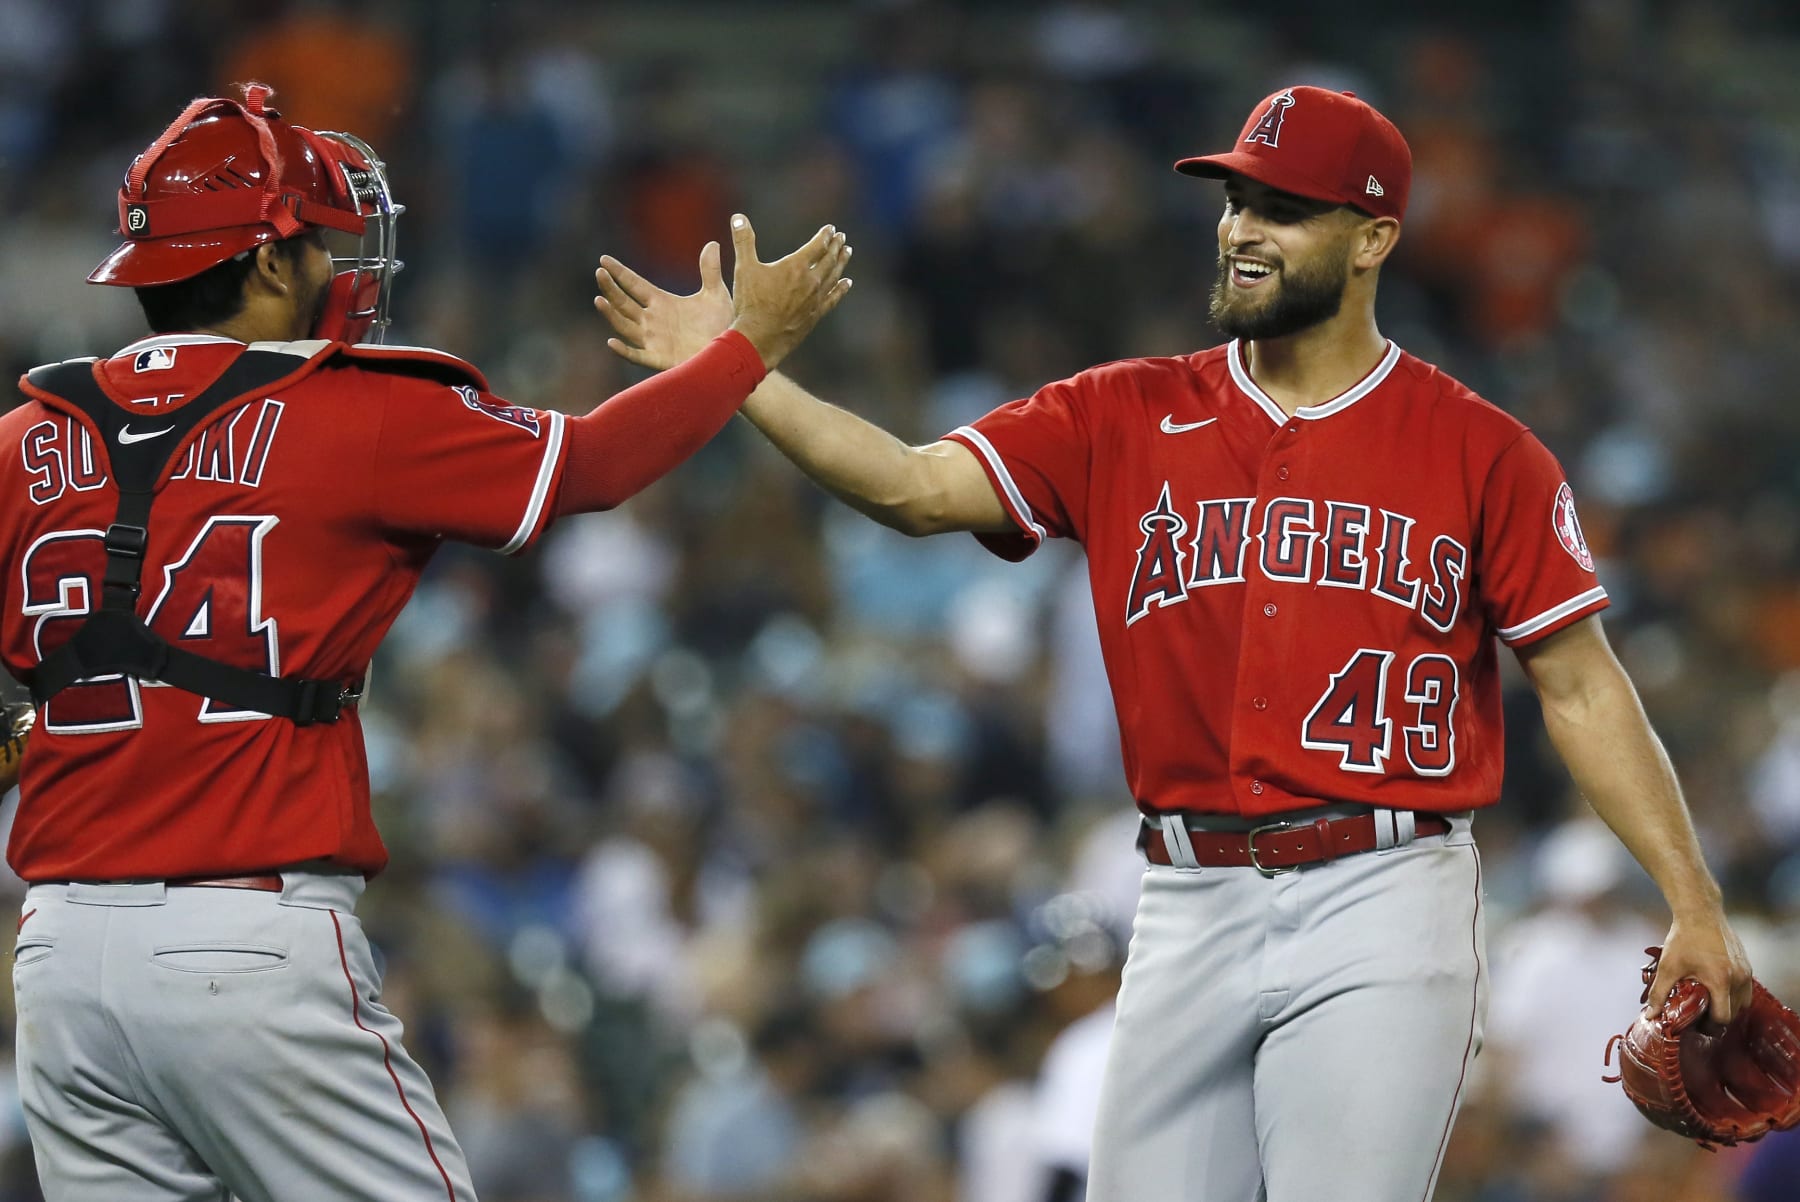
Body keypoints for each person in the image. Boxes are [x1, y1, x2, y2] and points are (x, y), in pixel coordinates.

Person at [595, 85, 1753, 1201]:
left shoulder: (1480, 450)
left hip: (1385, 890)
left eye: (1285, 210)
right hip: (1186, 892)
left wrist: (1692, 900)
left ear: (1372, 239)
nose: (1244, 230)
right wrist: (735, 372)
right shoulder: (1122, 412)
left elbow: (1584, 687)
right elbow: (911, 486)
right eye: (1237, 200)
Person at [1, 84, 849, 1202]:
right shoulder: (352, 405)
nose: (338, 271)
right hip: (246, 944)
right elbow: (589, 465)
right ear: (263, 264)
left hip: (57, 960)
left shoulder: (23, 435)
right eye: (317, 246)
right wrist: (747, 349)